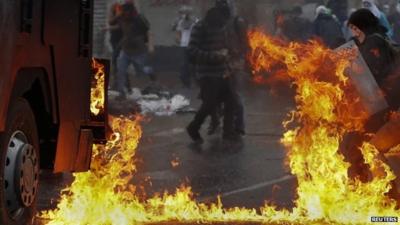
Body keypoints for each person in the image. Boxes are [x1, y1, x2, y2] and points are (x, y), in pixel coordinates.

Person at [345, 8, 400, 206]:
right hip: (385, 108)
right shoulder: (380, 39)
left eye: (353, 28)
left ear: (359, 27)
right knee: (359, 147)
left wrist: (347, 66)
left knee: (370, 149)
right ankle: (373, 193)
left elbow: (369, 74)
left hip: (386, 109)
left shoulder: (373, 42)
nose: (352, 32)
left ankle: (390, 197)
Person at [186, 2, 243, 143]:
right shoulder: (199, 27)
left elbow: (226, 46)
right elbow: (192, 51)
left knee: (232, 101)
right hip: (207, 74)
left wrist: (231, 56)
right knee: (209, 104)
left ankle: (228, 132)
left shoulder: (222, 27)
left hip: (222, 72)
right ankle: (193, 128)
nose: (224, 23)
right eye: (223, 20)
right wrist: (214, 56)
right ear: (216, 17)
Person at [109, 2, 156, 100]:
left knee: (142, 70)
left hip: (138, 50)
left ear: (131, 11)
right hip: (125, 49)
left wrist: (150, 45)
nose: (124, 14)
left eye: (126, 12)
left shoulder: (139, 19)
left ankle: (152, 75)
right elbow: (112, 23)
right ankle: (121, 92)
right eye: (123, 12)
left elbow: (149, 31)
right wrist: (115, 16)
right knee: (121, 70)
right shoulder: (121, 17)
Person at [173, 5, 198, 88]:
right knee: (184, 65)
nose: (182, 15)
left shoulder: (195, 21)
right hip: (184, 46)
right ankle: (186, 83)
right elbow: (178, 33)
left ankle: (195, 82)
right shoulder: (181, 22)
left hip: (194, 45)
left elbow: (199, 32)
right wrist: (178, 39)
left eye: (184, 13)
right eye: (181, 13)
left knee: (194, 64)